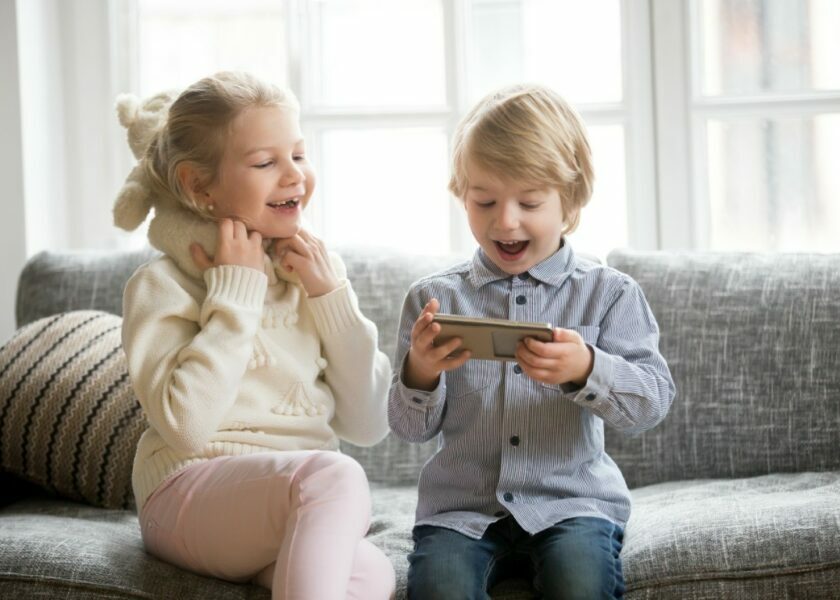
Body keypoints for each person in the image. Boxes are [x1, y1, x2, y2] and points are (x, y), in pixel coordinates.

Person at [388, 83, 676, 599]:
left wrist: (587, 368)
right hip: (461, 512)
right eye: (485, 201)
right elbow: (409, 428)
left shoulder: (609, 294)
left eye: (530, 202)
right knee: (440, 590)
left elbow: (651, 403)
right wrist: (421, 372)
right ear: (462, 196)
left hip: (573, 505)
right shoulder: (433, 299)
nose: (506, 220)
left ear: (570, 201)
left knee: (579, 584)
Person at [117, 71, 395, 600]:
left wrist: (331, 298)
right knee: (337, 476)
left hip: (288, 503)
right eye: (266, 163)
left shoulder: (314, 274)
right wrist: (238, 292)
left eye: (299, 154)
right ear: (199, 186)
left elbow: (368, 424)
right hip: (184, 494)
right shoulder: (161, 285)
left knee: (370, 573)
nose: (294, 176)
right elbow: (186, 427)